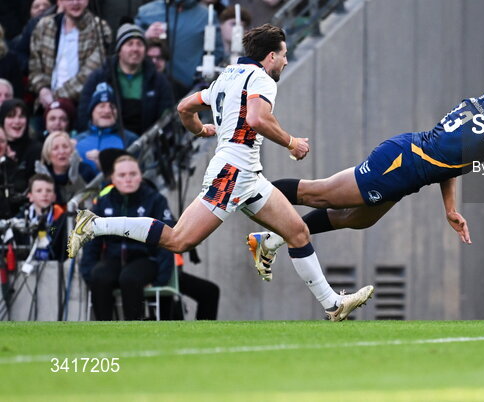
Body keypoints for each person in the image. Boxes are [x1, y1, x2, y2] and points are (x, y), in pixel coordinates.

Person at [68, 25, 375, 321]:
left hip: (247, 173)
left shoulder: (227, 76)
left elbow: (185, 107)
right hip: (233, 172)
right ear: (270, 56)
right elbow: (256, 119)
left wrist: (201, 129)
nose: (285, 60)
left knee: (297, 233)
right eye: (283, 54)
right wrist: (291, 142)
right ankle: (95, 225)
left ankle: (332, 304)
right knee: (178, 240)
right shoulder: (262, 78)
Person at [247, 63, 484, 280]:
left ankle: (271, 240)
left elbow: (451, 156)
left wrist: (450, 207)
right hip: (400, 163)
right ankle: (246, 189)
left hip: (412, 165)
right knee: (317, 192)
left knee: (358, 219)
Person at [78, 154, 174, 320]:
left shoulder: (156, 200)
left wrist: (161, 279)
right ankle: (103, 331)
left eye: (133, 174)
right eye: (122, 175)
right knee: (99, 276)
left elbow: (167, 240)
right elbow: (91, 240)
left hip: (145, 259)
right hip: (113, 259)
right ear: (113, 178)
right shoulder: (103, 202)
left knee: (129, 278)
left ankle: (134, 329)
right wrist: (88, 272)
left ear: (140, 176)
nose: (128, 179)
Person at [136, 0, 222, 95]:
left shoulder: (207, 16)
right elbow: (130, 44)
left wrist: (200, 80)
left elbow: (217, 51)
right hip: (149, 89)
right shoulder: (147, 12)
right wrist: (145, 36)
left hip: (189, 90)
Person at [78, 23, 174, 136]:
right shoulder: (100, 77)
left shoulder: (158, 81)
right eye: (130, 44)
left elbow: (166, 115)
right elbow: (84, 112)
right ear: (119, 50)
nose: (135, 49)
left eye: (139, 44)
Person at [29, 0, 113, 108]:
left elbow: (90, 73)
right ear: (60, 2)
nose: (75, 3)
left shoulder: (99, 28)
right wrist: (42, 89)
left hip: (82, 104)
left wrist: (56, 98)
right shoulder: (45, 26)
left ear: (87, 0)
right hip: (45, 104)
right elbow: (35, 65)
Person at [75, 82, 140, 171]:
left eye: (112, 107)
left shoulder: (130, 140)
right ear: (92, 111)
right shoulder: (77, 141)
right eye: (102, 106)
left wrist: (105, 163)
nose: (107, 111)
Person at [14, 173, 66, 260]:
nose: (44, 194)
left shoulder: (61, 220)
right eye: (39, 191)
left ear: (54, 197)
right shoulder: (20, 219)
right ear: (30, 196)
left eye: (49, 191)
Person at [35, 130, 95, 206]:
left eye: (65, 147)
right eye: (55, 148)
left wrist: (77, 181)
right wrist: (46, 181)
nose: (61, 151)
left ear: (72, 151)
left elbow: (93, 198)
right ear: (48, 154)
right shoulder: (42, 174)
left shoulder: (85, 171)